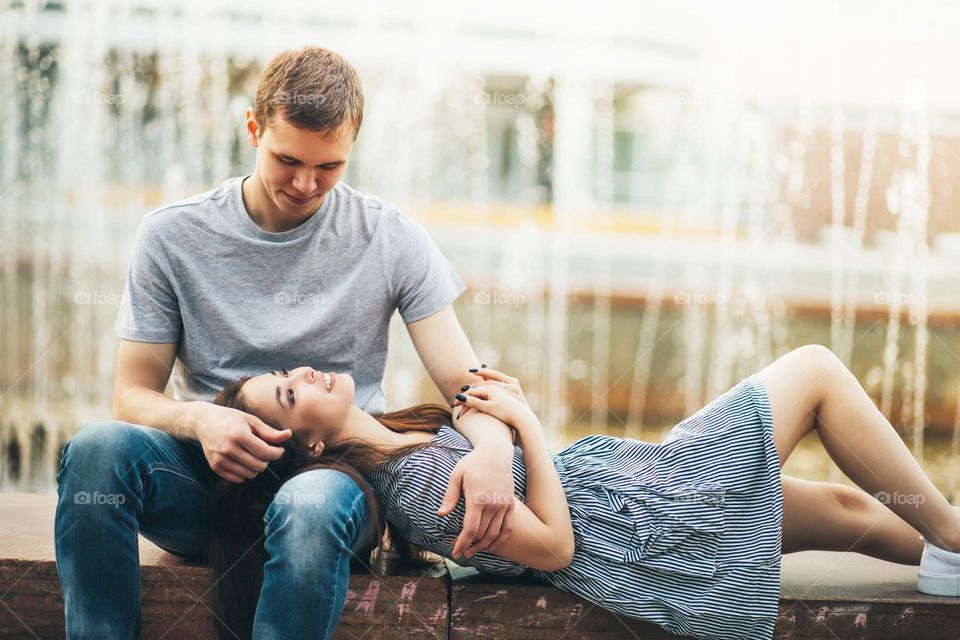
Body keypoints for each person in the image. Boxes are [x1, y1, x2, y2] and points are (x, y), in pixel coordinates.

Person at [54, 46, 519, 639]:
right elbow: (132, 395)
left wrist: (493, 451)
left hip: (334, 475)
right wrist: (202, 422)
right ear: (253, 128)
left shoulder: (389, 236)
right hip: (210, 483)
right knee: (96, 450)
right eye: (287, 159)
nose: (305, 184)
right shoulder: (172, 234)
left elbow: (467, 384)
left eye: (329, 167)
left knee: (306, 506)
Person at [210, 345, 960, 640]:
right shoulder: (410, 490)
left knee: (852, 512)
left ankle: (948, 551)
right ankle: (954, 535)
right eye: (287, 393)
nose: (304, 374)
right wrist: (526, 424)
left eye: (291, 368)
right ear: (307, 444)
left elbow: (484, 419)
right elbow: (554, 547)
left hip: (631, 491)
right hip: (645, 519)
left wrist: (495, 428)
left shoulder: (407, 435)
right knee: (818, 371)